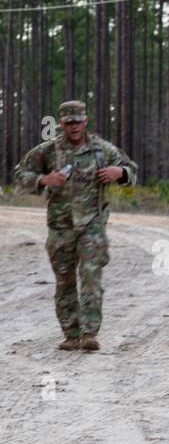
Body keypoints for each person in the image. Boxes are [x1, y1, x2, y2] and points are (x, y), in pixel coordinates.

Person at [12, 100, 139, 352]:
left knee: (91, 276)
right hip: (61, 227)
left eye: (78, 122)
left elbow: (131, 171)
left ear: (85, 121)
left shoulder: (101, 149)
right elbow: (19, 174)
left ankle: (89, 333)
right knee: (65, 281)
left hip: (92, 226)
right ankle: (71, 334)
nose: (73, 127)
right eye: (68, 122)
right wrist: (42, 179)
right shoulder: (49, 151)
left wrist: (119, 172)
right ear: (61, 123)